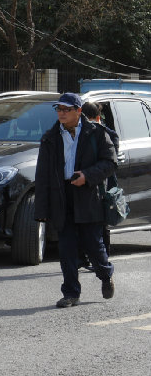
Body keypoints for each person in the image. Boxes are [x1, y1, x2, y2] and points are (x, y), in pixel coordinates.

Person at [34, 93, 117, 308]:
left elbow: (110, 162)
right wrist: (41, 208)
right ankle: (70, 292)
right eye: (59, 109)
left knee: (93, 245)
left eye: (66, 109)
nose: (61, 113)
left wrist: (87, 176)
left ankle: (106, 274)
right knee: (67, 247)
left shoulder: (96, 133)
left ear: (78, 111)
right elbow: (42, 175)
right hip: (61, 196)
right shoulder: (49, 137)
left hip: (88, 195)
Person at [80, 101, 119, 260]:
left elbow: (110, 161)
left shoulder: (108, 134)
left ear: (97, 118)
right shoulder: (78, 133)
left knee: (102, 224)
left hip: (104, 184)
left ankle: (103, 258)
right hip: (86, 182)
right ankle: (84, 257)